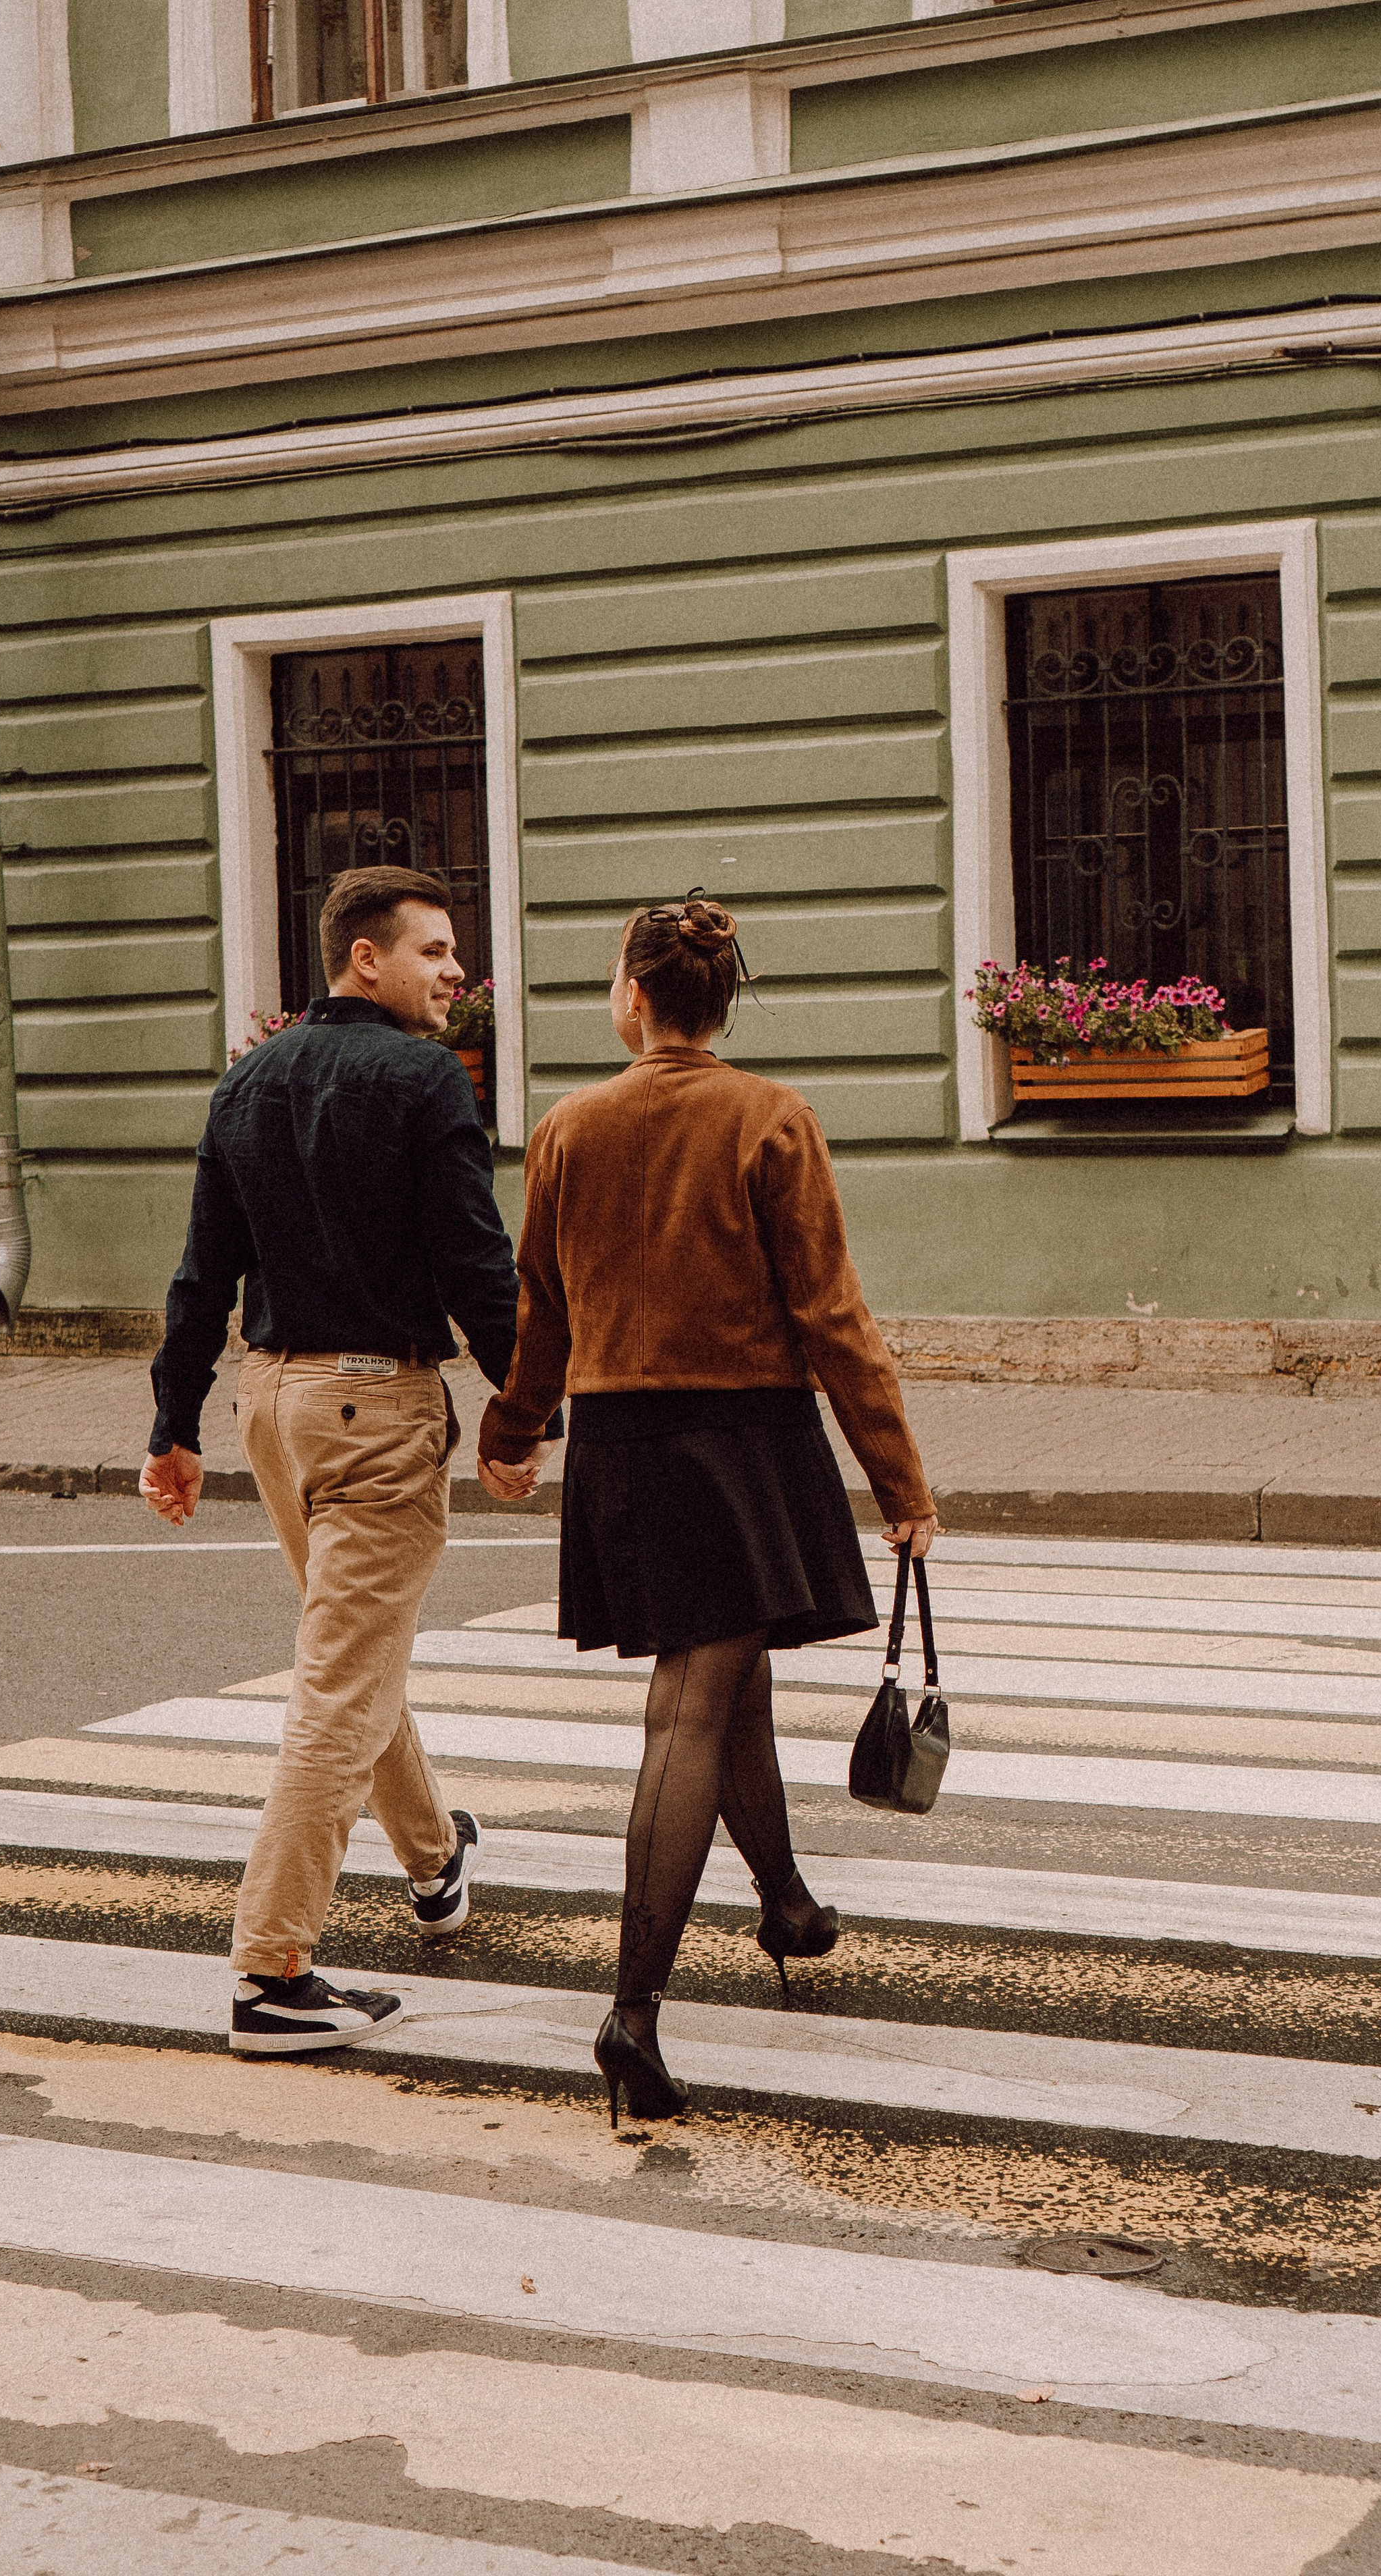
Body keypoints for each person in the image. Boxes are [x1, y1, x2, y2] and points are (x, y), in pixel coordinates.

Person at [477, 891, 938, 2127]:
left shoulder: (566, 1128)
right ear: (722, 1003)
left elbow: (542, 1309)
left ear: (632, 997)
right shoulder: (771, 1116)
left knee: (730, 1683)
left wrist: (514, 1432)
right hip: (745, 1443)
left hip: (624, 1448)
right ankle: (632, 2013)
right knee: (693, 1704)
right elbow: (831, 1315)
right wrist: (900, 1482)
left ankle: (785, 1903)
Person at [140, 864, 543, 2058]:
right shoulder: (426, 1080)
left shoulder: (248, 1078)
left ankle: (434, 1860)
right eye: (435, 951)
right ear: (366, 957)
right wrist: (523, 1414)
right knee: (337, 1692)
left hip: (274, 1406)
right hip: (377, 1409)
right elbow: (477, 1261)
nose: (457, 973)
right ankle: (271, 1975)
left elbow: (201, 1274)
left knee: (352, 1655)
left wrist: (174, 1427)